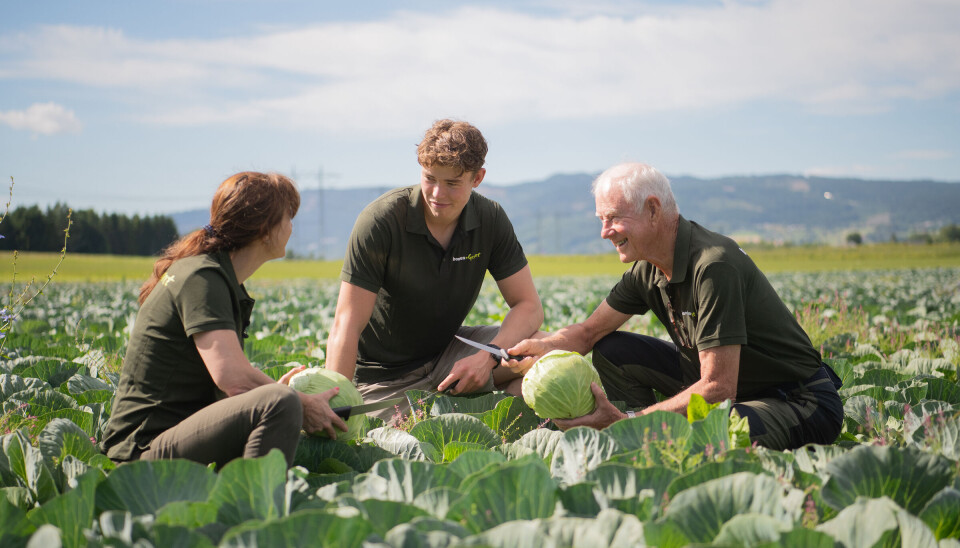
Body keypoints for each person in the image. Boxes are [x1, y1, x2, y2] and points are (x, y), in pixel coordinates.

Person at [506, 162, 843, 451]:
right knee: (612, 349)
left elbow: (717, 388)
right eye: (601, 220)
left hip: (795, 401)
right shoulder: (647, 269)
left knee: (714, 433)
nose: (604, 232)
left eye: (613, 219)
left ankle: (636, 431)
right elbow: (588, 332)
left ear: (653, 210)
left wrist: (629, 422)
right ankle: (642, 441)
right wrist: (543, 347)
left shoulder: (713, 266)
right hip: (725, 390)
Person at [101, 172, 347, 468]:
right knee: (280, 403)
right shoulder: (201, 277)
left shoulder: (216, 277)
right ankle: (252, 509)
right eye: (287, 217)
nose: (292, 227)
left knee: (277, 399)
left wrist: (271, 391)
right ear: (265, 229)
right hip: (140, 450)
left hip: (171, 437)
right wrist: (296, 402)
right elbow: (232, 378)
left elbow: (222, 385)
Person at [325, 119, 543, 420]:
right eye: (430, 179)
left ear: (477, 178)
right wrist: (336, 404)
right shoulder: (381, 221)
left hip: (448, 354)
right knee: (390, 438)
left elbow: (529, 306)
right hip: (384, 377)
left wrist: (487, 357)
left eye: (452, 183)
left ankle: (484, 415)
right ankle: (469, 412)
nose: (438, 194)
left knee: (544, 352)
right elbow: (346, 323)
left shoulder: (490, 218)